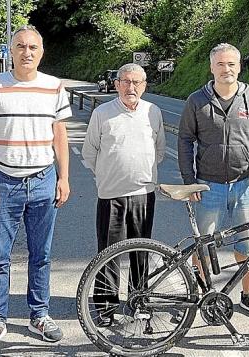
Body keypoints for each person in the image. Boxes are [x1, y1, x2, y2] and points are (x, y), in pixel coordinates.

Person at [0, 24, 71, 351]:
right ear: (11, 51)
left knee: (41, 254)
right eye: (20, 47)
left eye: (33, 47)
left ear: (41, 52)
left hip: (44, 181)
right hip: (2, 182)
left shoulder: (54, 87)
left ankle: (39, 314)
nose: (27, 52)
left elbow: (60, 137)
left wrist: (64, 178)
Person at [177, 43, 249, 320]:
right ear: (211, 68)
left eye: (231, 64)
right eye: (220, 64)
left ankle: (248, 295)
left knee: (246, 243)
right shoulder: (197, 100)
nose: (226, 69)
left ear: (239, 67)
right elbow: (184, 140)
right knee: (203, 245)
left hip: (244, 184)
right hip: (207, 185)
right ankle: (202, 296)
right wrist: (189, 180)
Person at [81, 63, 166, 326]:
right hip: (111, 195)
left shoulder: (154, 112)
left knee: (141, 250)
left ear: (144, 86)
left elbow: (159, 150)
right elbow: (89, 153)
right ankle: (105, 306)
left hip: (143, 193)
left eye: (137, 82)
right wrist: (108, 175)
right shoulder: (102, 113)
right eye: (126, 82)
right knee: (108, 252)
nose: (131, 87)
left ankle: (139, 300)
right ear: (117, 84)